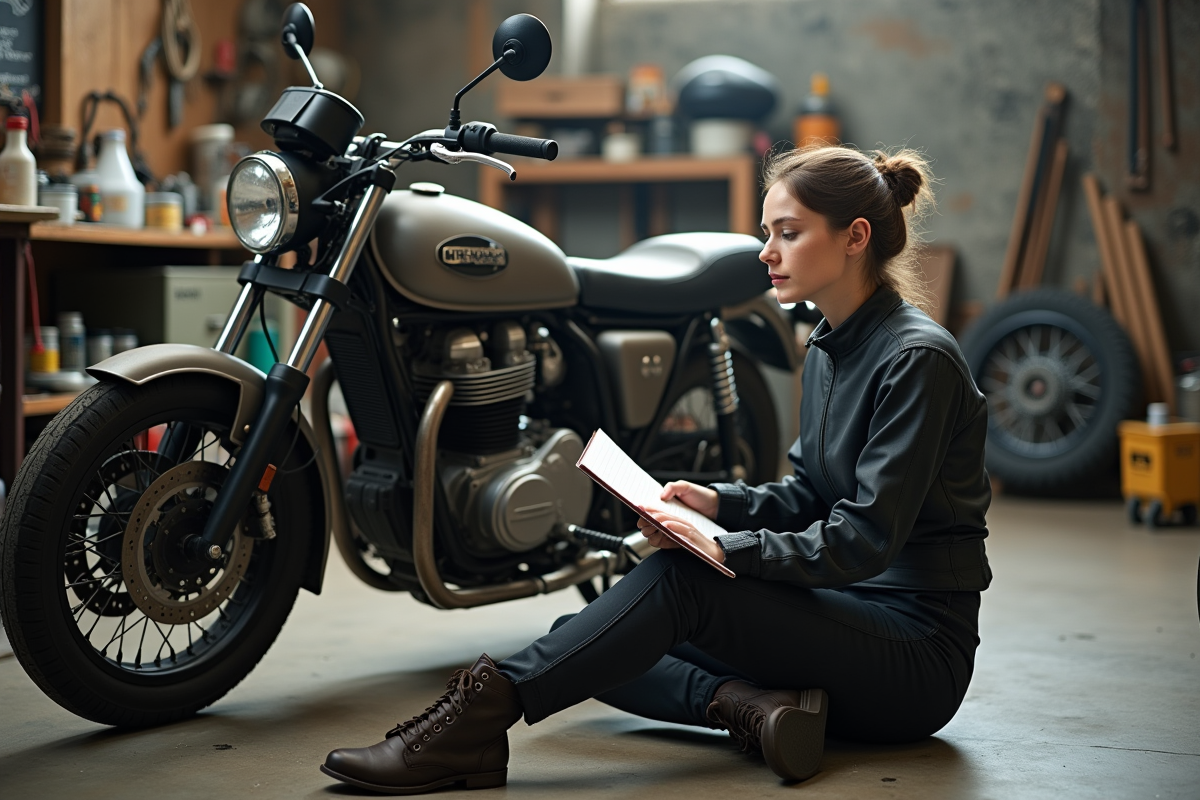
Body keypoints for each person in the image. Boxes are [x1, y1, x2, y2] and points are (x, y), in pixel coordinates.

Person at [319, 145, 992, 794]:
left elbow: (863, 538)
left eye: (788, 233)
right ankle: (751, 709)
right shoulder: (828, 346)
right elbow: (810, 493)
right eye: (766, 233)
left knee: (673, 586)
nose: (767, 252)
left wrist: (726, 550)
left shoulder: (916, 361)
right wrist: (717, 504)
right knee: (585, 639)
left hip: (914, 653)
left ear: (855, 237)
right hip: (844, 622)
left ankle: (474, 721)